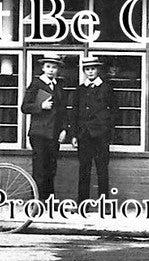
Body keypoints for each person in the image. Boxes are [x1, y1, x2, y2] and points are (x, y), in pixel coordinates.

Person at [21, 53, 67, 201]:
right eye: (48, 67)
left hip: (54, 133)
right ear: (42, 67)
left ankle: (48, 201)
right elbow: (24, 107)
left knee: (51, 169)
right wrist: (41, 106)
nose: (51, 70)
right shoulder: (36, 84)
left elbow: (62, 110)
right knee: (40, 169)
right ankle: (37, 203)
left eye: (54, 67)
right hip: (39, 133)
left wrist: (64, 129)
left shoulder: (58, 85)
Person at [71, 55, 117, 203]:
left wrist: (107, 128)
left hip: (101, 135)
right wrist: (74, 135)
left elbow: (115, 111)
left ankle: (104, 203)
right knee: (84, 170)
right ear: (84, 71)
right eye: (87, 69)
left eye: (93, 69)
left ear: (98, 70)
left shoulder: (106, 88)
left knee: (102, 169)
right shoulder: (80, 89)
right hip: (84, 135)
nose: (90, 72)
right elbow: (74, 112)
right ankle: (82, 202)